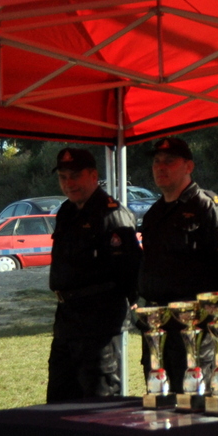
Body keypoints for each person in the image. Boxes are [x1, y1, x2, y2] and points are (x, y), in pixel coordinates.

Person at [136, 135, 218, 393]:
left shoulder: (208, 208)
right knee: (159, 404)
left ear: (188, 166)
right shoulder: (154, 215)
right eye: (157, 162)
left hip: (194, 328)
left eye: (169, 162)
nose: (161, 167)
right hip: (158, 326)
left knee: (196, 406)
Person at [45, 148, 142, 402]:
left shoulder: (111, 215)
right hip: (67, 323)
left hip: (99, 327)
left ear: (93, 175)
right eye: (63, 177)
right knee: (58, 406)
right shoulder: (66, 212)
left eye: (75, 176)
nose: (69, 183)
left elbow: (131, 272)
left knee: (100, 406)